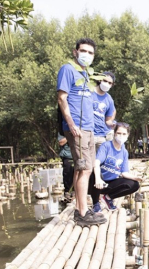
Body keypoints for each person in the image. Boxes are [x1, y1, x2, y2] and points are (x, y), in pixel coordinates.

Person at [57, 37, 105, 225]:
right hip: (77, 127)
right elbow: (62, 98)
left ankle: (80, 209)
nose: (87, 55)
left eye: (90, 53)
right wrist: (70, 123)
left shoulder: (85, 74)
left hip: (88, 128)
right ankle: (83, 214)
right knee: (85, 169)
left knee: (82, 168)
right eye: (83, 51)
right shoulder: (67, 69)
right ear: (75, 52)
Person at [89, 123, 142, 212]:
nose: (121, 136)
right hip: (96, 182)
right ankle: (95, 203)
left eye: (124, 134)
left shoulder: (124, 152)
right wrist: (98, 179)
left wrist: (135, 178)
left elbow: (124, 173)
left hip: (110, 183)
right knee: (96, 174)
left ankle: (108, 198)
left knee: (135, 185)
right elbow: (96, 163)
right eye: (119, 133)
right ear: (114, 133)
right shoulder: (106, 146)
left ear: (128, 135)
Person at [92, 71, 116, 147]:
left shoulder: (109, 99)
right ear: (100, 80)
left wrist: (112, 125)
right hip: (88, 133)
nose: (107, 84)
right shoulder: (89, 92)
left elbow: (108, 120)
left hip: (101, 136)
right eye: (105, 81)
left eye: (110, 83)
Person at [57, 133, 73, 202]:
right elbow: (61, 142)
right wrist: (70, 135)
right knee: (67, 175)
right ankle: (67, 192)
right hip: (67, 157)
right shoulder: (63, 132)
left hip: (77, 156)